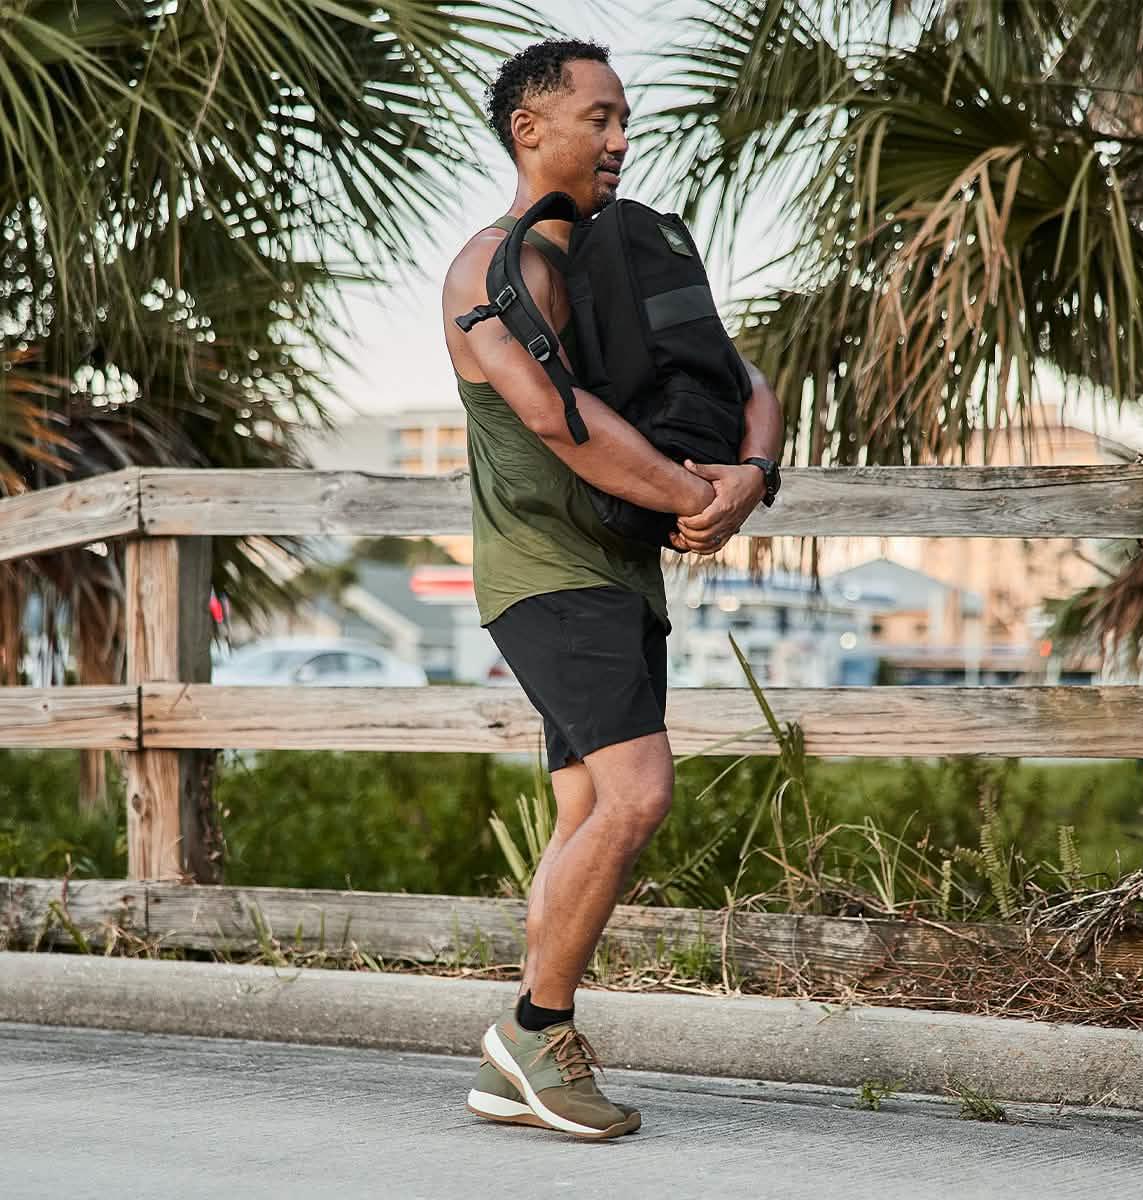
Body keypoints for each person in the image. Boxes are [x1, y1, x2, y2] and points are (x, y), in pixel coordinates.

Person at [440, 37, 784, 1139]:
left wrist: (748, 475)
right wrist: (696, 492)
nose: (621, 141)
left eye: (625, 118)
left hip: (622, 577)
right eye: (600, 117)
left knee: (588, 810)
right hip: (545, 577)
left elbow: (748, 382)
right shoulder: (488, 269)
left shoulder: (619, 261)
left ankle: (518, 1065)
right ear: (529, 129)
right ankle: (537, 1031)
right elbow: (560, 421)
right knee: (638, 796)